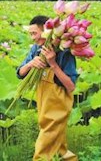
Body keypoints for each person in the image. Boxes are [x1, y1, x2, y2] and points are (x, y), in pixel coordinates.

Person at [17, 15, 79, 161]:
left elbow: (71, 86)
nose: (32, 38)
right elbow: (20, 73)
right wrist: (31, 63)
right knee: (59, 146)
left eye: (34, 33)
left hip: (59, 104)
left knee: (45, 141)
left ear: (46, 31)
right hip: (44, 103)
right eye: (30, 34)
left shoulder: (64, 53)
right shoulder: (35, 49)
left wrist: (53, 64)